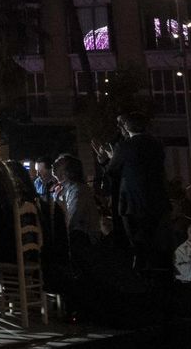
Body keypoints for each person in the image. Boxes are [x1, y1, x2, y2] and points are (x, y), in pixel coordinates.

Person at [97, 115, 170, 269]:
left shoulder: (124, 146)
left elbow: (113, 171)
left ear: (127, 127)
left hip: (132, 203)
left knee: (137, 243)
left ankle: (140, 271)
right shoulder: (156, 144)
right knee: (154, 241)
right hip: (157, 201)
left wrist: (107, 160)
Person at [53, 154, 99, 243]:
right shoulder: (62, 188)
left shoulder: (78, 190)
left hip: (85, 239)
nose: (54, 164)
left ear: (68, 171)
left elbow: (73, 218)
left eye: (60, 162)